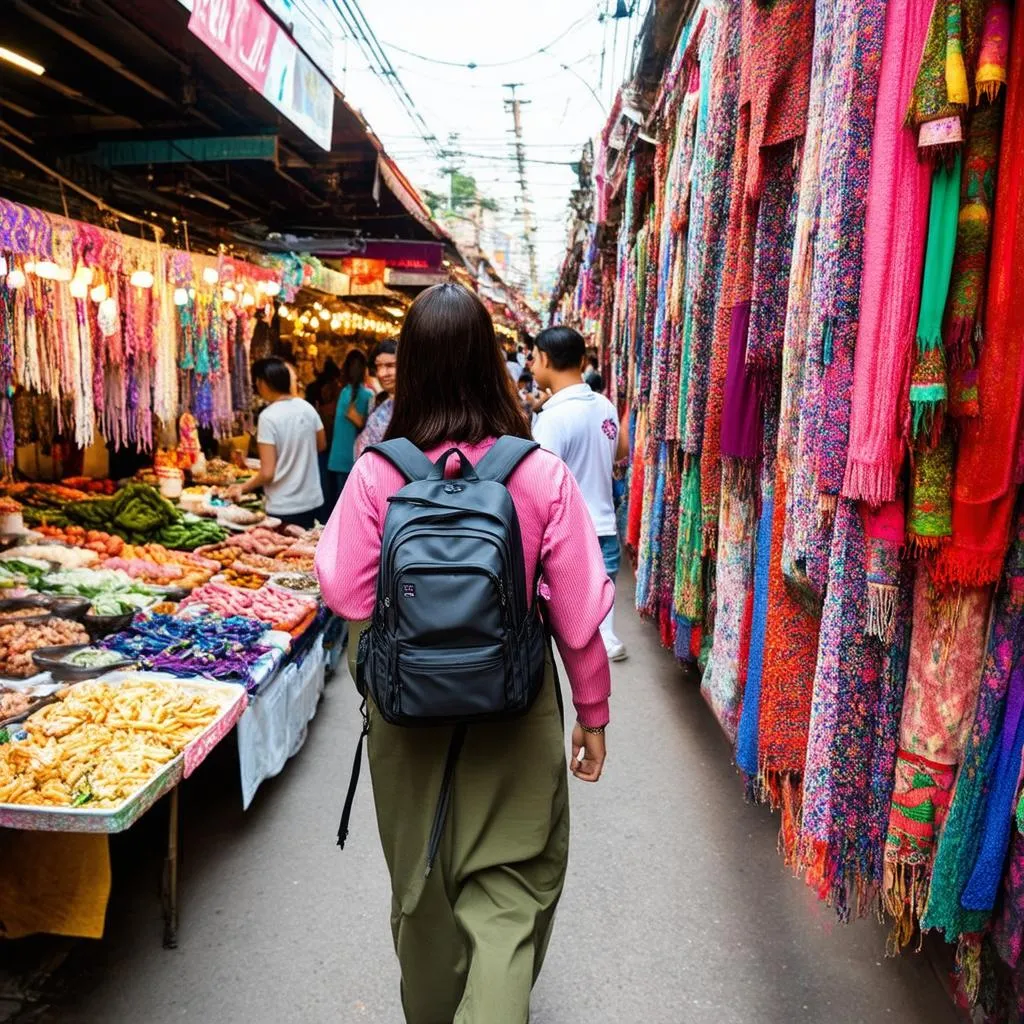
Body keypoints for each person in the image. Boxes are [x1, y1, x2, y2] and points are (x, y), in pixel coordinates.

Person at [316, 282, 613, 1024]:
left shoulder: (377, 474)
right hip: (514, 714)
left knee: (421, 896)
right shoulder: (537, 473)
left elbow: (347, 596)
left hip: (406, 719)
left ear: (407, 369)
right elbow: (577, 617)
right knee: (510, 897)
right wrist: (594, 713)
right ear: (491, 361)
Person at [531, 326, 629, 661]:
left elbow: (540, 482)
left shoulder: (552, 417)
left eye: (533, 357)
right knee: (602, 604)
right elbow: (619, 452)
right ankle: (607, 638)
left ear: (545, 358)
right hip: (605, 523)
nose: (530, 365)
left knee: (574, 623)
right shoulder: (605, 406)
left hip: (571, 532)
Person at [229, 358, 325, 528]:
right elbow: (321, 445)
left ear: (263, 383)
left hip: (284, 505)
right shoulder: (307, 408)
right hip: (312, 501)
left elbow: (267, 473)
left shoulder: (268, 417)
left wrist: (241, 488)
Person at [328, 348, 373, 494]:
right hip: (353, 461)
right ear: (365, 370)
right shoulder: (368, 394)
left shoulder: (344, 392)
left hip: (337, 458)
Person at [354, 340, 397, 459]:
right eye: (379, 366)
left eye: (390, 366)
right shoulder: (378, 402)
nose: (383, 373)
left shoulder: (415, 406)